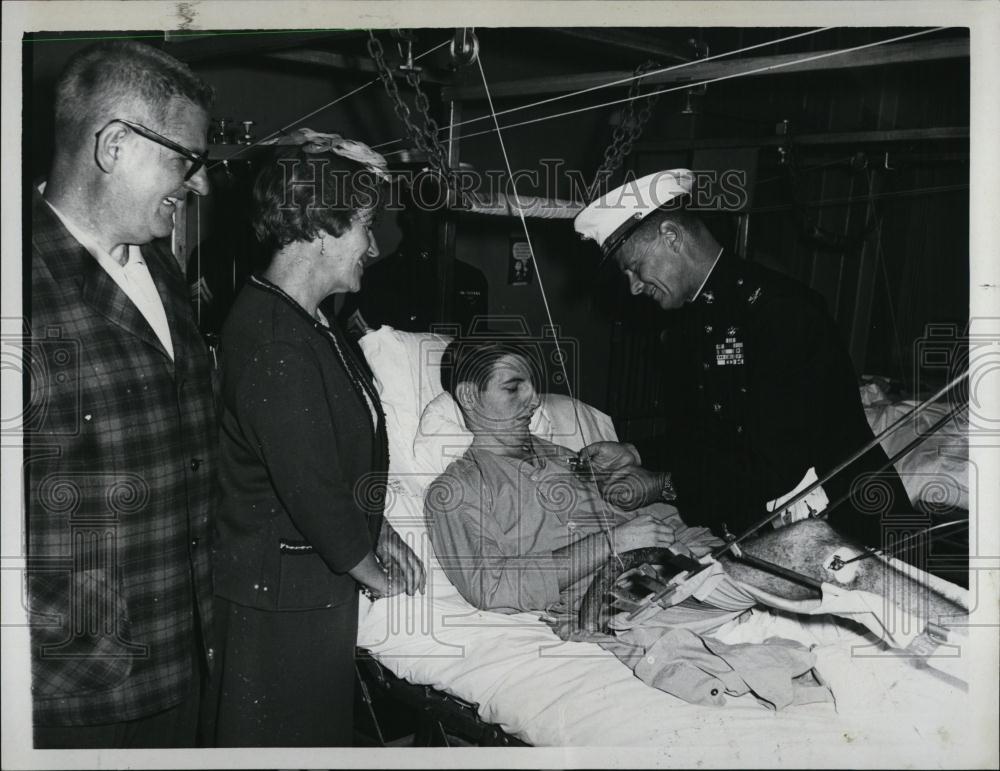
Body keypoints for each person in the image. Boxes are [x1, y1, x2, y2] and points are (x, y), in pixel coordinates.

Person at [423, 338, 834, 709]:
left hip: (690, 572)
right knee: (808, 564)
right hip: (625, 601)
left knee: (808, 550)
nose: (533, 400)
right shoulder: (457, 491)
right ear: (469, 397)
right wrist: (610, 543)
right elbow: (489, 587)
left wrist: (714, 553)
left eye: (532, 386)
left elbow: (657, 521)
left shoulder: (570, 459)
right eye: (513, 388)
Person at [206, 129, 425, 747]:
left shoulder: (307, 322)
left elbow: (331, 456)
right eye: (364, 226)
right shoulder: (277, 339)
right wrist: (376, 577)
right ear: (322, 228)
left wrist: (375, 527)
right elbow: (312, 491)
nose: (373, 246)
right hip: (277, 604)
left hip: (302, 589)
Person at [26, 41, 217, 748]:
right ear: (113, 144)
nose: (194, 184)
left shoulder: (161, 268)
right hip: (79, 691)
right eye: (183, 160)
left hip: (183, 657)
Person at [573, 169, 912, 549]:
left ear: (671, 236)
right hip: (777, 530)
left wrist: (663, 485)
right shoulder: (689, 323)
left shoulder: (782, 312)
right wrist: (636, 452)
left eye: (635, 268)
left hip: (852, 529)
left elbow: (776, 463)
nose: (634, 286)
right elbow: (709, 433)